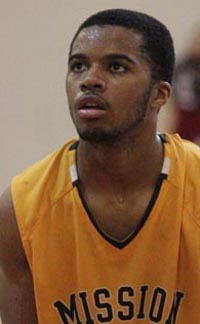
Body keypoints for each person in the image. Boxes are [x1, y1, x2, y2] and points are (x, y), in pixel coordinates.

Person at [0, 8, 199, 324]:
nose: (89, 80)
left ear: (159, 95)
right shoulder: (21, 211)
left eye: (116, 67)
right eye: (78, 66)